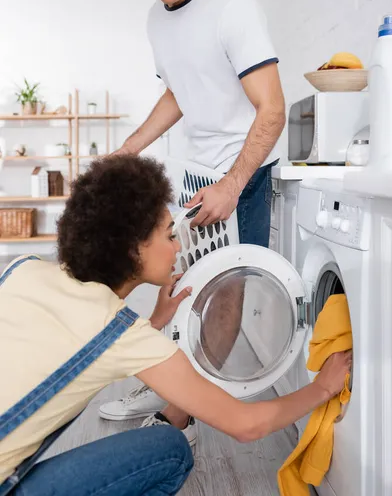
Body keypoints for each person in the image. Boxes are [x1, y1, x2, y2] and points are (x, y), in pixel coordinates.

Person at [0, 156, 351, 496]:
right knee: (171, 447)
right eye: (169, 235)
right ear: (134, 250)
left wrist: (154, 321)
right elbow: (245, 425)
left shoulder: (22, 268)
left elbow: (77, 348)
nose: (179, 245)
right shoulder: (117, 332)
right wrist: (321, 388)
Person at [100, 0, 286, 422]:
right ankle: (170, 384)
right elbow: (179, 93)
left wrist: (232, 184)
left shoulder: (233, 8)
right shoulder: (158, 22)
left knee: (220, 299)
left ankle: (178, 422)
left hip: (240, 178)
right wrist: (127, 149)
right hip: (197, 177)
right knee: (180, 290)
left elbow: (272, 109)